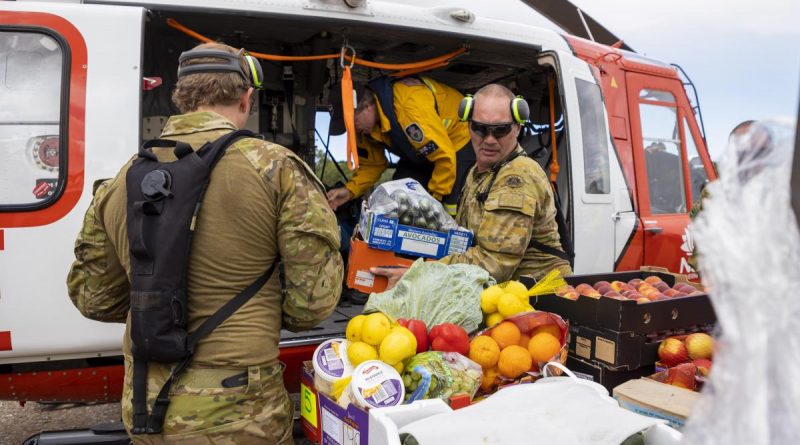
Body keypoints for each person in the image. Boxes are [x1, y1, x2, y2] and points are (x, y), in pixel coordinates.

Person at [66, 42, 342, 444]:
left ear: (182, 97)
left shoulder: (121, 181)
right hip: (240, 411)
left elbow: (93, 298)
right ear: (247, 98)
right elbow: (312, 303)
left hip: (146, 403)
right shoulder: (276, 169)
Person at [372, 84, 572, 287]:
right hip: (505, 293)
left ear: (517, 127)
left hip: (538, 300)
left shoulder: (517, 177)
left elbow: (494, 264)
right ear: (468, 126)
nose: (490, 140)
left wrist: (419, 274)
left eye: (500, 130)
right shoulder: (480, 172)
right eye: (480, 129)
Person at [326, 76, 474, 216]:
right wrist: (349, 191)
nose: (352, 129)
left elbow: (444, 157)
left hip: (457, 143)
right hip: (422, 154)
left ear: (367, 107)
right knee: (400, 200)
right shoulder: (365, 130)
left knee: (449, 208)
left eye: (351, 123)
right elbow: (372, 165)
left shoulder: (408, 107)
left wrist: (431, 201)